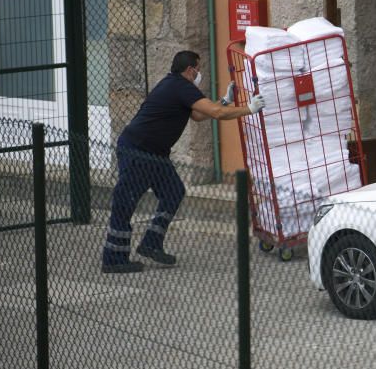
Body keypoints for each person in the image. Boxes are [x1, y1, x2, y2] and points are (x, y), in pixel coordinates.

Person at [102, 50, 265, 273]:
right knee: (125, 201)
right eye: (198, 68)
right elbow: (216, 113)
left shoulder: (176, 85)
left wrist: (225, 101)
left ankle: (151, 242)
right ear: (190, 70)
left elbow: (198, 115)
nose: (200, 73)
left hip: (155, 154)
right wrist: (248, 109)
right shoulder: (180, 86)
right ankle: (114, 259)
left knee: (173, 191)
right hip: (137, 151)